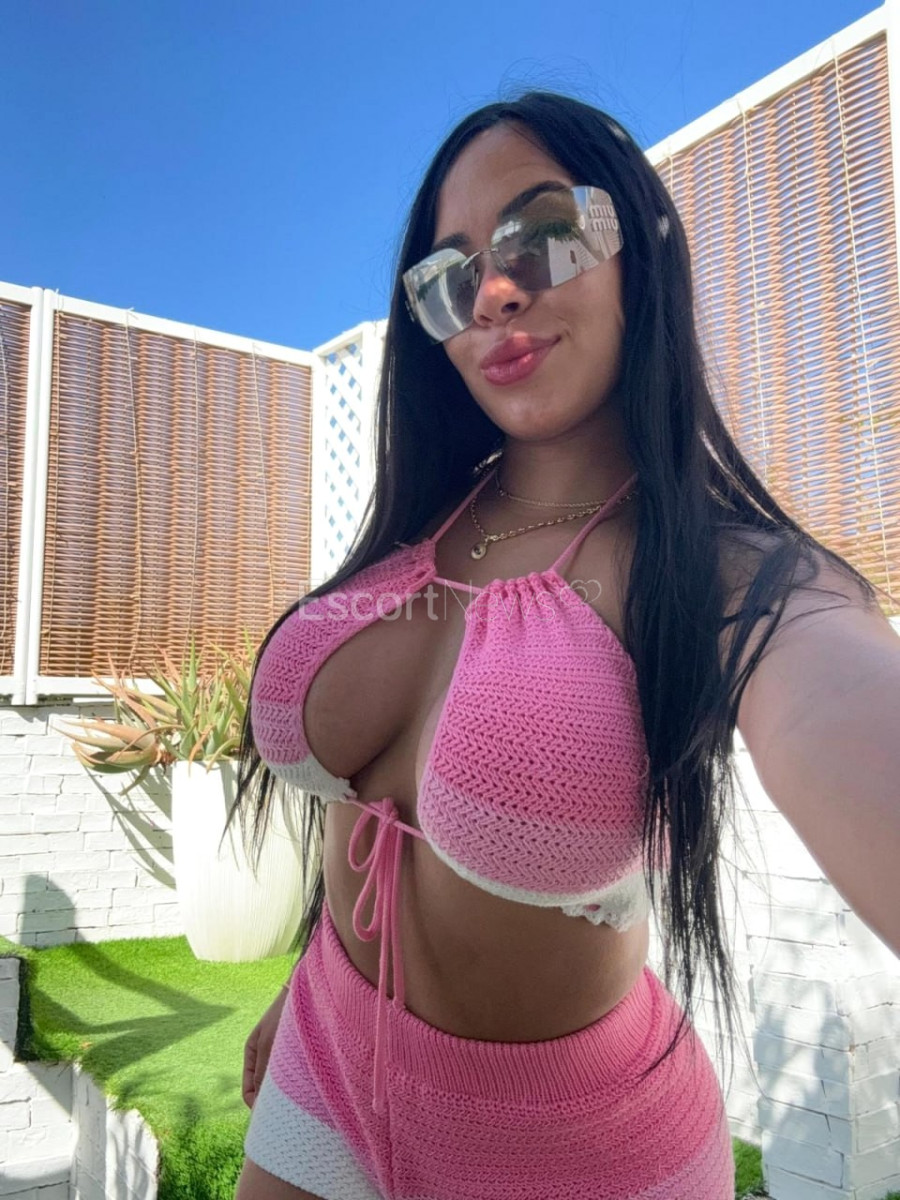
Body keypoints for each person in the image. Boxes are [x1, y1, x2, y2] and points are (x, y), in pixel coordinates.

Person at [231, 91, 900, 1200]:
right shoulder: (414, 529)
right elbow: (367, 812)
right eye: (449, 277)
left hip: (579, 1148)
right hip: (326, 1056)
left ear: (644, 242)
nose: (494, 292)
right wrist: (307, 969)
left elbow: (841, 700)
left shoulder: (720, 572)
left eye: (542, 232)